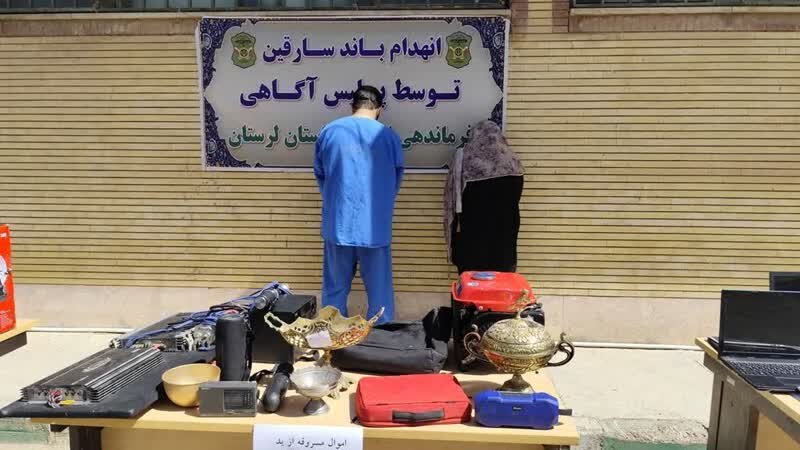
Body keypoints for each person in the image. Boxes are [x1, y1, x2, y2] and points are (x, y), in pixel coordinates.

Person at [314, 86, 405, 323]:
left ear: (352, 106)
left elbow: (321, 174)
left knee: (334, 292)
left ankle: (332, 337)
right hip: (375, 227)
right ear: (379, 108)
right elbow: (396, 179)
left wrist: (335, 201)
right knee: (380, 294)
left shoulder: (329, 132)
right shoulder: (389, 137)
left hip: (338, 225)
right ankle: (381, 338)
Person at [443, 120, 525, 274]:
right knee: (500, 284)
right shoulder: (514, 163)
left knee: (471, 285)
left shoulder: (465, 160)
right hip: (504, 246)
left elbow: (452, 200)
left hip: (471, 243)